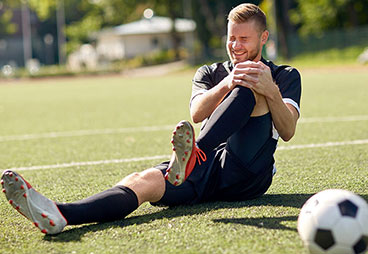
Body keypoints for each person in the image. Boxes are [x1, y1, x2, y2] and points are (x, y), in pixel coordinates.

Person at [1, 3, 301, 235]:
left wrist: (270, 91)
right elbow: (197, 113)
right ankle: (60, 214)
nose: (236, 46)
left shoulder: (285, 76)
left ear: (263, 37)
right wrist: (227, 83)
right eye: (231, 38)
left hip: (247, 171)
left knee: (253, 89)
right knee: (143, 181)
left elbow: (287, 131)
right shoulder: (209, 73)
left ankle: (193, 156)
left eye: (244, 39)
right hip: (205, 168)